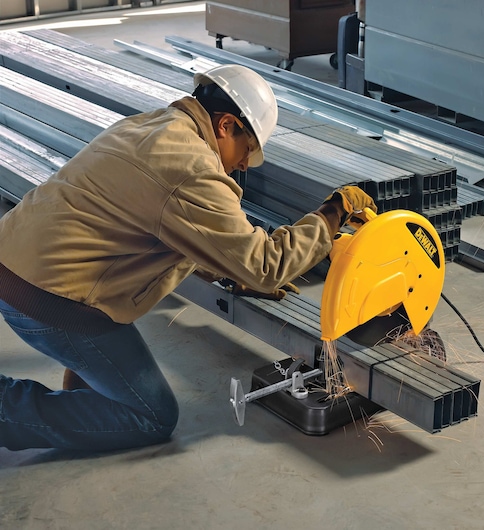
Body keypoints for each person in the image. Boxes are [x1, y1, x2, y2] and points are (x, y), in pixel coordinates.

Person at [0, 64, 376, 452]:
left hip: (17, 262)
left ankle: (87, 387)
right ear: (227, 125)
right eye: (247, 150)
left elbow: (170, 228)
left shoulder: (153, 126)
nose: (243, 164)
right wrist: (333, 211)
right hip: (49, 297)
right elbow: (267, 266)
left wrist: (229, 270)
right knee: (151, 416)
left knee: (110, 377)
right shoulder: (192, 167)